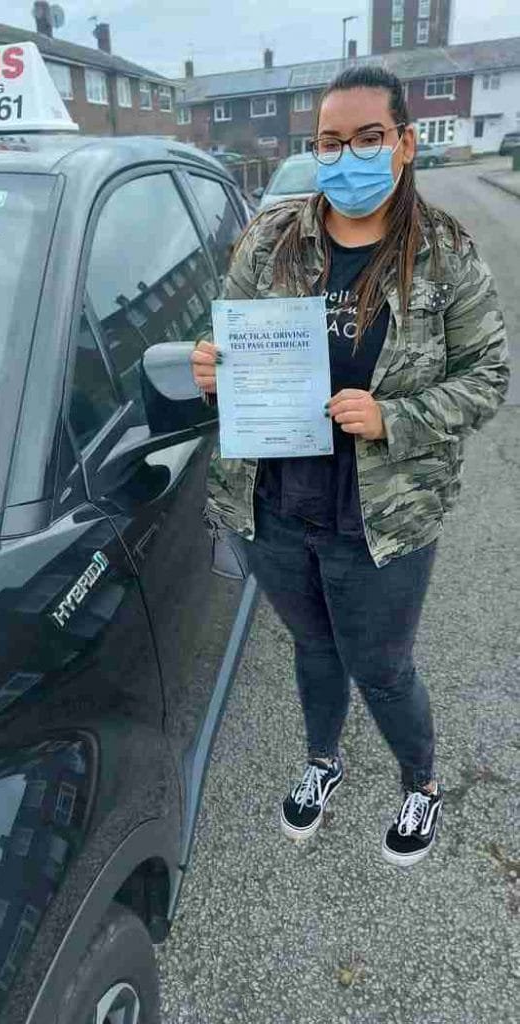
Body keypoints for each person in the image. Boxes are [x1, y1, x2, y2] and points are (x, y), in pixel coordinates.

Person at [190, 66, 510, 867]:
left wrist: (393, 416)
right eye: (330, 143)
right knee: (313, 649)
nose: (348, 157)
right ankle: (321, 760)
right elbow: (228, 340)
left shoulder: (443, 253)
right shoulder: (273, 239)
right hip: (275, 507)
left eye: (368, 138)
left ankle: (420, 781)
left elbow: (487, 377)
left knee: (382, 666)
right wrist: (211, 366)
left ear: (404, 143)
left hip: (383, 519)